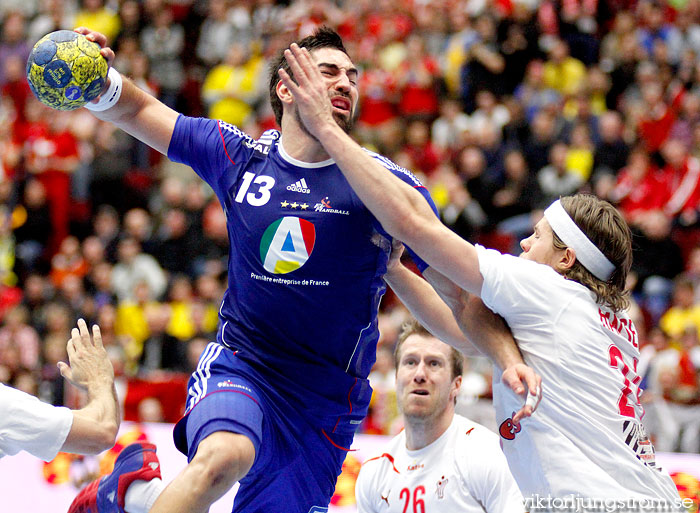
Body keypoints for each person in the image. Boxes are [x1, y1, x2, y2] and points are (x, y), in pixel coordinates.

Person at [67, 26, 539, 513]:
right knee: (223, 457)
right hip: (246, 363)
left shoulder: (387, 191)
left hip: (325, 403)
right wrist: (97, 81)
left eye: (352, 77)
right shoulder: (241, 157)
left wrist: (504, 357)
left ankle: (132, 494)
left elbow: (461, 305)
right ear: (285, 88)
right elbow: (143, 111)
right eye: (328, 72)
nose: (345, 84)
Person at [279, 43, 682, 506]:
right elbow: (467, 328)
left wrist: (327, 129)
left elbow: (417, 226)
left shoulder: (547, 289)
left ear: (566, 259)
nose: (525, 244)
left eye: (538, 237)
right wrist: (392, 266)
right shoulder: (604, 317)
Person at [355, 320, 524, 513]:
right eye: (410, 362)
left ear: (457, 384)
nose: (419, 374)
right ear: (396, 378)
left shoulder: (488, 454)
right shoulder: (375, 470)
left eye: (433, 363)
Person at [0, 318, 119, 460]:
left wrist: (101, 381)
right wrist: (100, 379)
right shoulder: (5, 404)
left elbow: (103, 428)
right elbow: (103, 432)